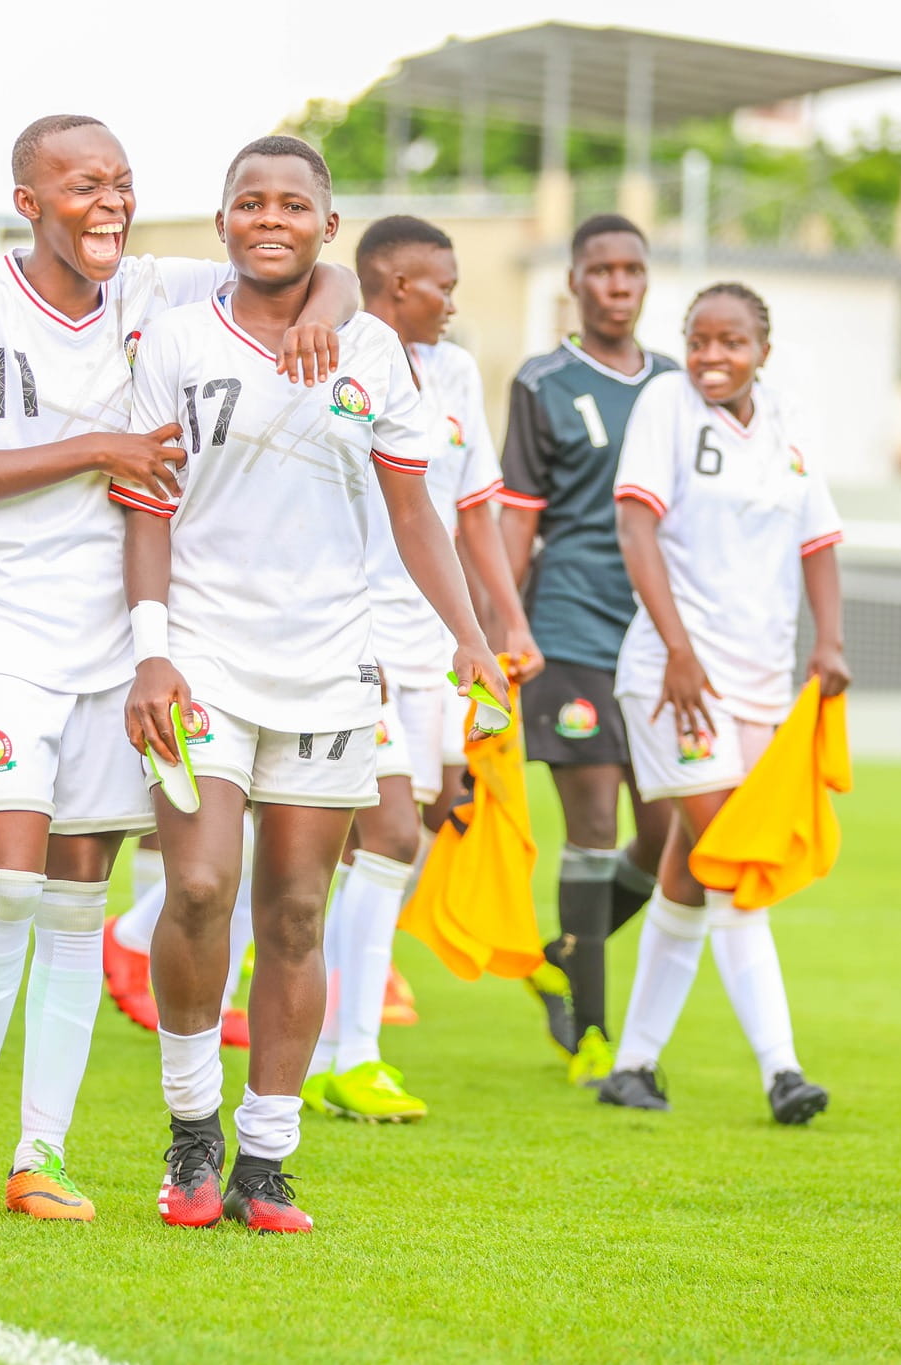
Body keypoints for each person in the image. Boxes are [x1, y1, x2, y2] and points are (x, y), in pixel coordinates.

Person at [0, 114, 356, 1222]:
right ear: (29, 200)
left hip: (124, 644)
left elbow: (311, 266)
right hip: (5, 632)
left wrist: (331, 312)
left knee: (72, 904)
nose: (107, 204)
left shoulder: (158, 292)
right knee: (7, 880)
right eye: (81, 186)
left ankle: (40, 1154)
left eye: (119, 184)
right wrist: (98, 447)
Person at [118, 136, 505, 1232]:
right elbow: (145, 506)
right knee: (197, 887)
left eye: (294, 204)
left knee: (294, 914)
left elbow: (413, 510)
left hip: (332, 670)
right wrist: (150, 650)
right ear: (223, 222)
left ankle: (265, 1162)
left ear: (327, 228)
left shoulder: (375, 355)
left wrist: (468, 637)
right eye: (249, 203)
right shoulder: (178, 343)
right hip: (199, 659)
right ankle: (192, 1130)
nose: (270, 219)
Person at [303, 214, 543, 1123]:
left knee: (417, 821)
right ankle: (349, 1050)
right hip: (348, 637)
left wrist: (501, 624)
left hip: (432, 643)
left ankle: (328, 1034)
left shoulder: (454, 375)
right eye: (440, 284)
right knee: (389, 833)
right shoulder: (335, 358)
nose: (452, 299)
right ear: (393, 284)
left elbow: (471, 514)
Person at [595, 282, 844, 1125]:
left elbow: (819, 541)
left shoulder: (788, 420)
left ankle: (633, 1064)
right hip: (676, 676)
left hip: (761, 680)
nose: (711, 357)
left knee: (694, 872)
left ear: (761, 350)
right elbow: (635, 529)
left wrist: (829, 642)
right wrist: (678, 650)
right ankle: (783, 1070)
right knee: (735, 860)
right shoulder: (665, 402)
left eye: (731, 342)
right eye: (698, 339)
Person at [499, 214, 678, 1086]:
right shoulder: (542, 382)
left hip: (657, 634)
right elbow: (520, 514)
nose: (617, 284)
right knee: (596, 827)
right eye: (601, 270)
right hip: (568, 624)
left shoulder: (681, 387)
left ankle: (564, 953)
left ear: (647, 281)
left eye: (631, 270)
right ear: (574, 280)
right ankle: (596, 1039)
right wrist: (506, 622)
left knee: (669, 829)